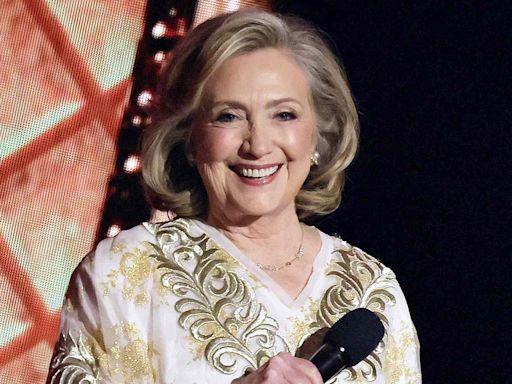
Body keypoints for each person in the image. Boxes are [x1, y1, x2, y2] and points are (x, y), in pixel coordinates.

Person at [47, 10, 421, 384]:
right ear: (190, 140)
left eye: (284, 115)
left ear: (319, 137)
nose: (258, 145)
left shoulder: (373, 290)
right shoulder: (126, 271)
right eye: (228, 117)